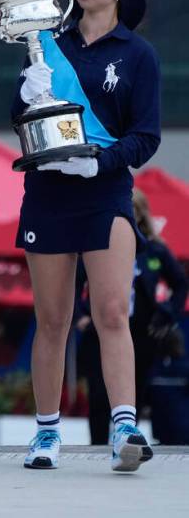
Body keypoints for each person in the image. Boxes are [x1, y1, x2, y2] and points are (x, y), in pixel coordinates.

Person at [13, 0, 161, 472]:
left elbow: (146, 136)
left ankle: (124, 423)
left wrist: (99, 165)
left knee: (112, 313)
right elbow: (21, 119)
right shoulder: (46, 43)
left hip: (105, 191)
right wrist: (27, 95)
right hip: (50, 192)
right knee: (51, 319)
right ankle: (47, 432)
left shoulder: (138, 54)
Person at [76, 188, 187, 444]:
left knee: (134, 391)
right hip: (100, 329)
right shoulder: (96, 245)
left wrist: (167, 313)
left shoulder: (155, 250)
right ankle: (98, 446)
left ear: (140, 214)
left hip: (142, 331)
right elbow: (76, 282)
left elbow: (180, 283)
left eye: (134, 210)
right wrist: (79, 315)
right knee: (99, 394)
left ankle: (126, 442)